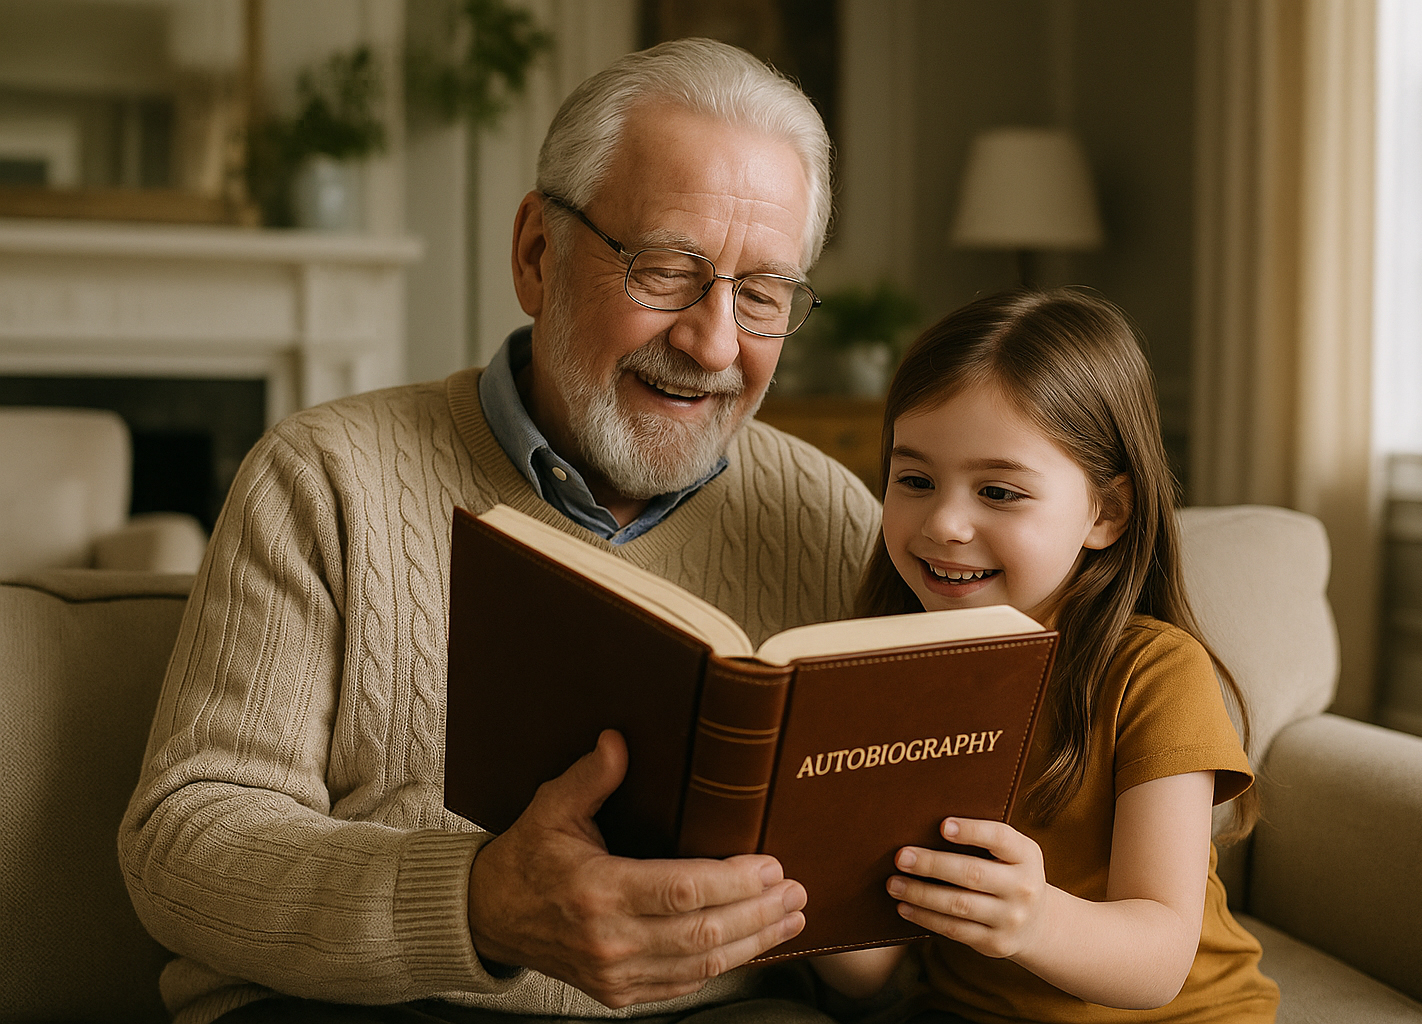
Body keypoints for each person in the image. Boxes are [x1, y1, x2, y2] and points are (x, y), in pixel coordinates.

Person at [118, 39, 881, 1024]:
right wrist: (480, 902)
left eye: (764, 295)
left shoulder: (836, 519)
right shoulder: (322, 477)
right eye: (664, 271)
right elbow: (181, 846)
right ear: (536, 255)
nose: (714, 342)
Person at [809, 289, 1281, 1022]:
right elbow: (867, 974)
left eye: (999, 491)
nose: (945, 523)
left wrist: (1034, 921)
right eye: (915, 480)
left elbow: (1157, 962)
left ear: (1106, 513)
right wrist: (794, 866)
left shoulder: (1154, 674)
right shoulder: (886, 676)